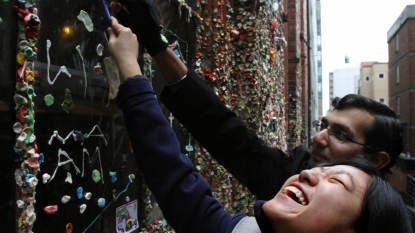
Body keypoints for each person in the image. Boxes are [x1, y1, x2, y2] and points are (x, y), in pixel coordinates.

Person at [108, 17, 412, 233]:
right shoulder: (278, 191)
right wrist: (155, 44)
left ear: (376, 160)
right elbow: (223, 134)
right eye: (325, 125)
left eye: (341, 135)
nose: (319, 138)